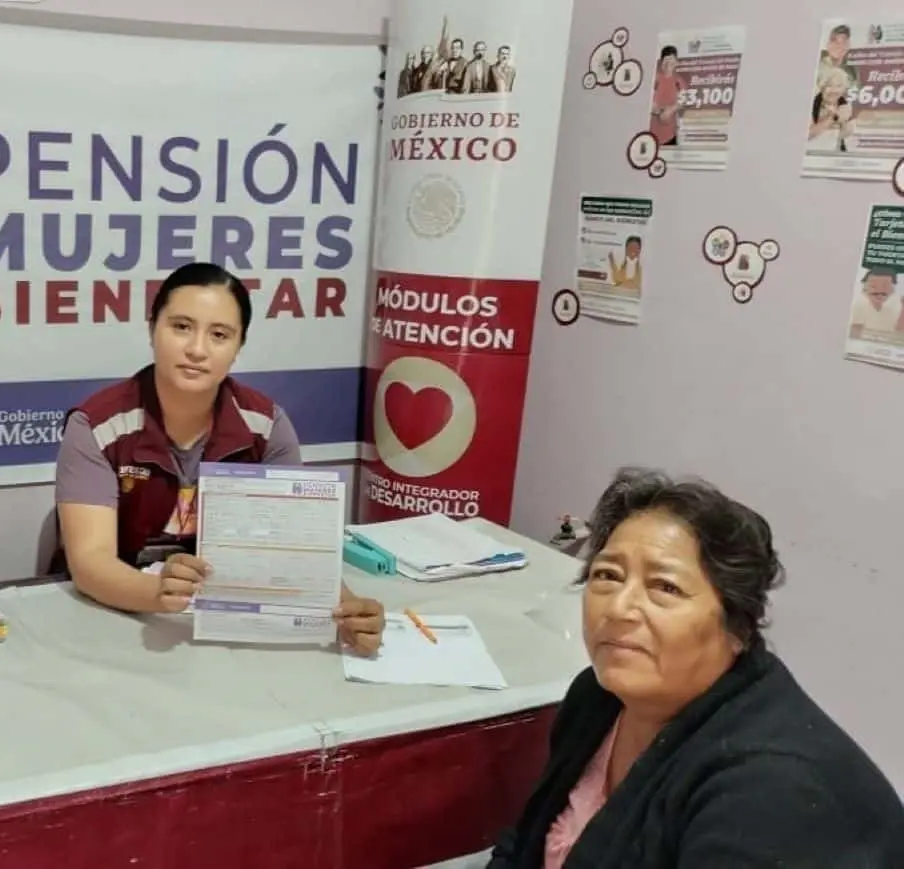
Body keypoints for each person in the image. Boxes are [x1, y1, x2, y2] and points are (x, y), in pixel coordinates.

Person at [488, 468, 904, 869]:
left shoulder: (771, 792)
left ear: (737, 626)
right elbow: (523, 845)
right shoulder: (597, 698)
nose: (617, 608)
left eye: (665, 587)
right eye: (608, 576)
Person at [54, 262, 385, 655]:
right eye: (180, 326)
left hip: (225, 619)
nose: (197, 349)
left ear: (238, 346)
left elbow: (295, 545)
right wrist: (157, 592)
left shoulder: (266, 426)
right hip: (116, 616)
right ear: (151, 329)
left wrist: (346, 608)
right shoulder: (97, 426)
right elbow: (90, 563)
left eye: (219, 335)